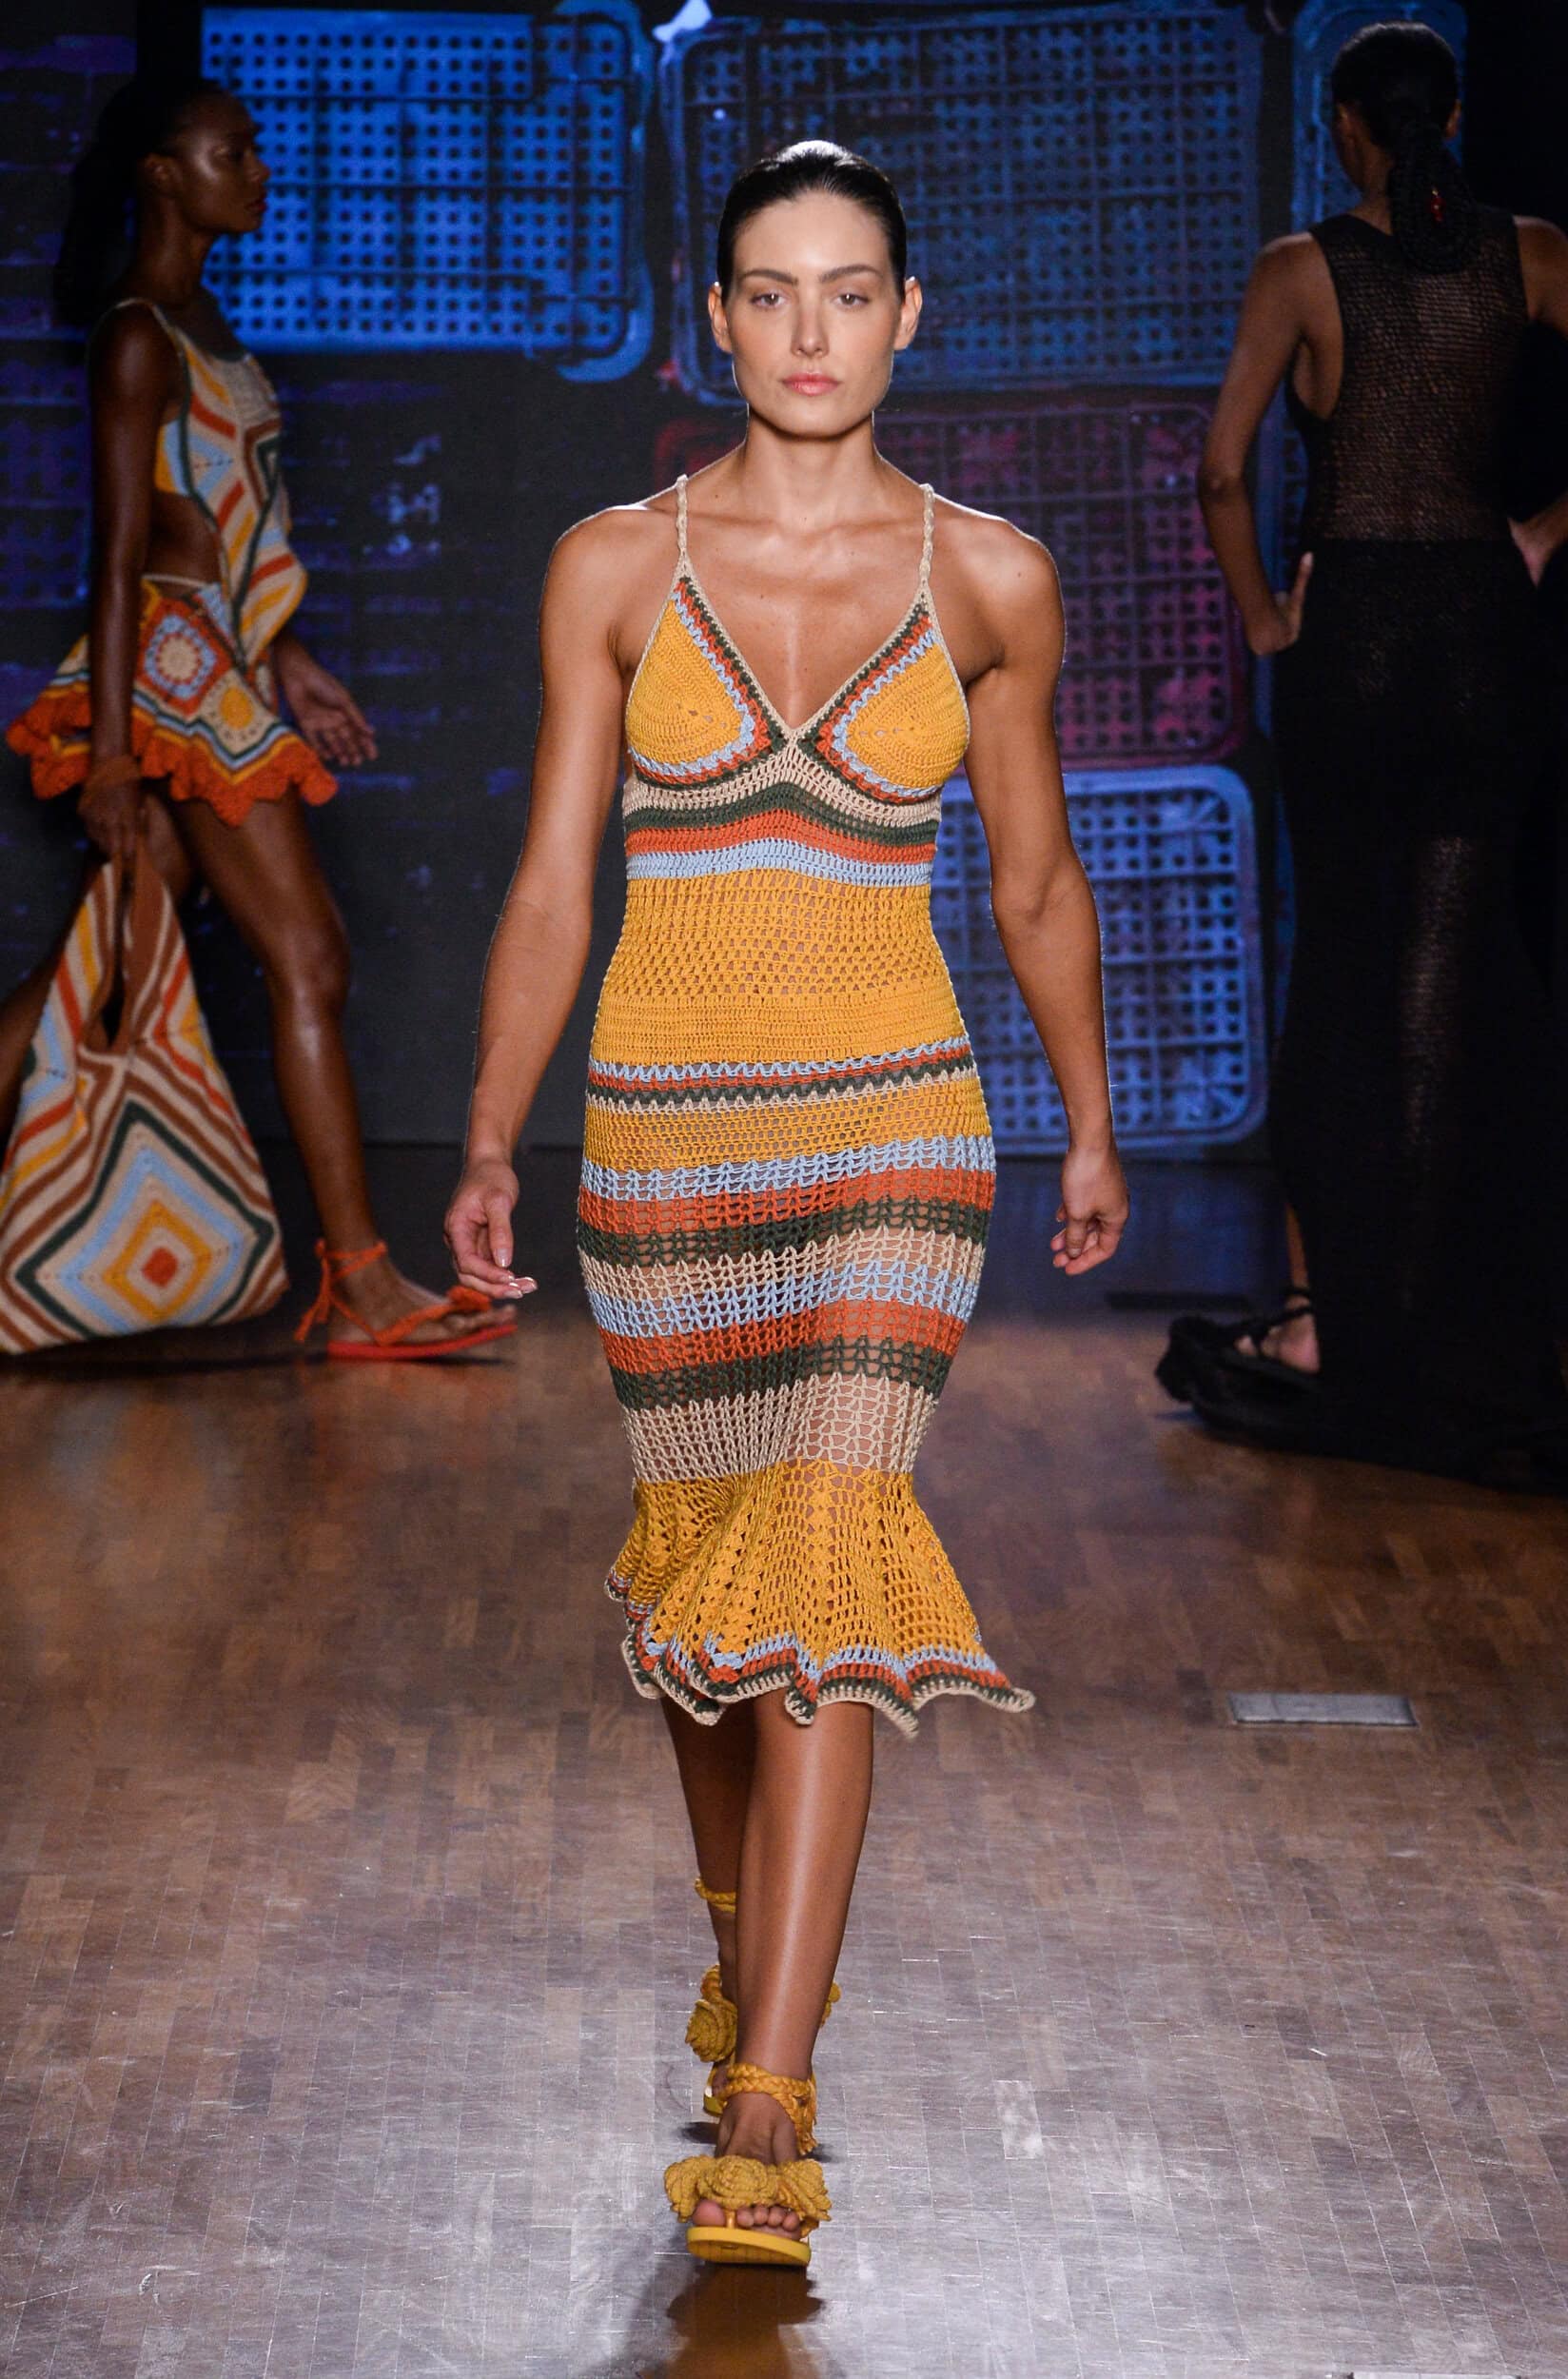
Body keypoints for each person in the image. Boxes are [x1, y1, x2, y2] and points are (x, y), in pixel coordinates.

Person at [444, 142, 1127, 2263]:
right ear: (716, 316)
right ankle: (747, 1938)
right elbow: (553, 882)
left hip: (893, 1139)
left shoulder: (990, 579)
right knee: (703, 1585)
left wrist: (1088, 1121)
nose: (811, 331)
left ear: (906, 316)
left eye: (849, 292)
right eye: (771, 291)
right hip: (664, 1138)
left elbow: (1032, 880)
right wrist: (488, 1134)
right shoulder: (611, 567)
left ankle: (772, 2091)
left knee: (823, 1543)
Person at [0, 74, 511, 1360]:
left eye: (254, 149)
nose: (259, 170)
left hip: (219, 660)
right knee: (312, 959)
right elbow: (122, 555)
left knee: (96, 964)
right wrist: (112, 754)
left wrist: (287, 656)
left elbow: (219, 518)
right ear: (164, 174)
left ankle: (358, 1286)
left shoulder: (201, 321)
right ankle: (361, 1286)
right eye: (233, 152)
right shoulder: (136, 336)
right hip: (170, 676)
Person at [1159, 22, 1568, 1492]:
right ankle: (1452, 1330)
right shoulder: (1532, 253)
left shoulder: (1300, 267)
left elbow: (1221, 468)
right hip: (1480, 626)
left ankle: (1339, 1326)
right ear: (1449, 118)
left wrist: (1262, 619)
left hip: (1352, 632)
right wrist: (1537, 534)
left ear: (1342, 125)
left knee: (1345, 974)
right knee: (1451, 988)